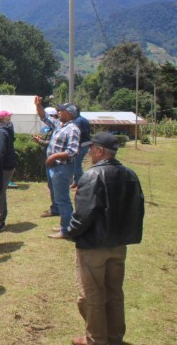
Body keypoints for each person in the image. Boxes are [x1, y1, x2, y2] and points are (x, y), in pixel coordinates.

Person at [67, 132, 145, 345]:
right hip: (118, 245)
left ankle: (96, 339)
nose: (88, 152)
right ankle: (114, 337)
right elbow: (137, 209)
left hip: (93, 246)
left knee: (91, 295)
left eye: (91, 148)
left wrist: (70, 232)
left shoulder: (91, 176)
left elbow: (83, 215)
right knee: (114, 292)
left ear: (100, 150)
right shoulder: (130, 174)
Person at [33, 97, 80, 239]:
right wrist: (39, 105)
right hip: (55, 168)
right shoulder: (60, 125)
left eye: (61, 110)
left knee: (63, 199)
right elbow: (44, 117)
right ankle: (65, 225)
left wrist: (54, 156)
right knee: (59, 198)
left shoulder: (72, 129)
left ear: (69, 114)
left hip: (62, 168)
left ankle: (66, 230)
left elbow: (72, 151)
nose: (58, 112)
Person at [36, 107, 60, 218]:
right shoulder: (53, 128)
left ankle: (56, 208)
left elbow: (50, 143)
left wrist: (40, 141)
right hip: (52, 160)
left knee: (54, 186)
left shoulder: (56, 128)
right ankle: (56, 207)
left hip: (54, 162)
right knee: (52, 186)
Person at [0, 110, 18, 188]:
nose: (10, 116)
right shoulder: (7, 125)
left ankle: (8, 181)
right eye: (8, 115)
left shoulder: (8, 124)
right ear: (2, 117)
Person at [72, 107, 91, 186]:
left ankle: (82, 183)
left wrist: (76, 146)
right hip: (85, 144)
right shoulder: (84, 119)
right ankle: (76, 182)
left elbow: (78, 134)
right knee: (75, 164)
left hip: (81, 145)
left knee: (76, 165)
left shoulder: (77, 121)